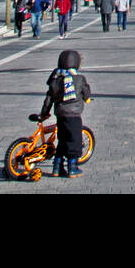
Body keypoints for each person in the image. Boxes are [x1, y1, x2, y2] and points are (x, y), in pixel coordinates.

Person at [39, 49, 92, 179]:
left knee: (62, 140)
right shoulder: (79, 79)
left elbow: (49, 99)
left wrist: (44, 113)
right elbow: (86, 92)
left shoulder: (56, 80)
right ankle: (72, 167)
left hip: (60, 114)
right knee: (74, 140)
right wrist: (87, 98)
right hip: (73, 115)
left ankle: (57, 167)